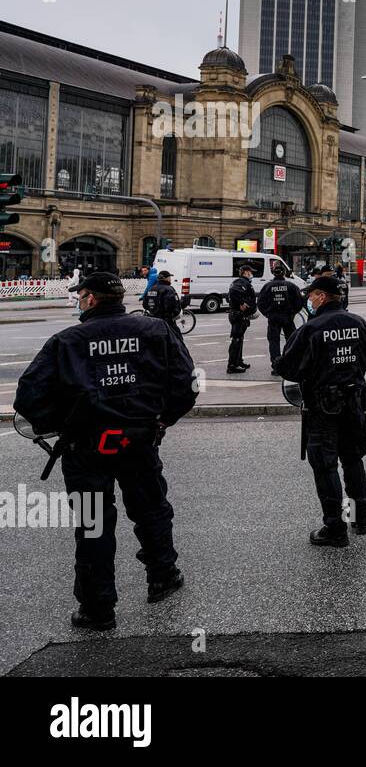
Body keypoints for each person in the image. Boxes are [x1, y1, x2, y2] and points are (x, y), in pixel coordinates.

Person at [14, 272, 196, 630]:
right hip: (139, 439)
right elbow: (186, 383)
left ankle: (98, 608)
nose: (77, 300)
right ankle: (162, 575)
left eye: (79, 295)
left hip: (86, 447)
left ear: (92, 299)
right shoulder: (156, 331)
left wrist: (63, 423)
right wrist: (161, 420)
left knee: (93, 523)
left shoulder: (67, 341)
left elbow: (29, 398)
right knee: (151, 509)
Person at [274, 275, 366, 546]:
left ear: (321, 297)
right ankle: (358, 518)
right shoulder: (358, 322)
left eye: (311, 296)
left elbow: (287, 367)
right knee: (352, 460)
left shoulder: (312, 328)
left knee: (326, 466)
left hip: (323, 408)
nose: (308, 300)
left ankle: (335, 528)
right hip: (354, 402)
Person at [257, 262, 306, 367]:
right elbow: (300, 301)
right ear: (284, 274)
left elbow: (260, 303)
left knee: (273, 341)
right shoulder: (291, 286)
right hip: (288, 316)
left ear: (274, 274)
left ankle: (276, 364)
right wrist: (293, 312)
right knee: (291, 339)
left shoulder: (267, 286)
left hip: (273, 317)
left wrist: (267, 313)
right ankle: (290, 362)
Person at [226, 264, 257, 373]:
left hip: (238, 314)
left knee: (240, 339)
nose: (251, 274)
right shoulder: (241, 282)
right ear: (245, 272)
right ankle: (232, 365)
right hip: (238, 315)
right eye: (250, 272)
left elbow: (228, 296)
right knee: (236, 340)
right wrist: (241, 303)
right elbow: (233, 293)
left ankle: (238, 361)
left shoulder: (239, 282)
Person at [142, 269, 182, 335]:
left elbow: (145, 305)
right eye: (169, 277)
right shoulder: (169, 289)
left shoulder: (151, 289)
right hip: (166, 321)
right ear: (166, 278)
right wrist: (174, 314)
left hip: (153, 320)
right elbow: (172, 305)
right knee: (177, 340)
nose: (170, 279)